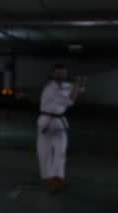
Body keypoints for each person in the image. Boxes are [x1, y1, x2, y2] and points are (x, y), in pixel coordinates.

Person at [37, 63, 85, 193]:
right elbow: (70, 101)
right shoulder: (50, 89)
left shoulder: (65, 86)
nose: (60, 76)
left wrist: (80, 83)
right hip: (46, 122)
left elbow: (80, 89)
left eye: (62, 74)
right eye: (58, 74)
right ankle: (47, 178)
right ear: (53, 75)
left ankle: (58, 178)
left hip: (59, 121)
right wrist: (76, 85)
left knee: (60, 152)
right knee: (45, 152)